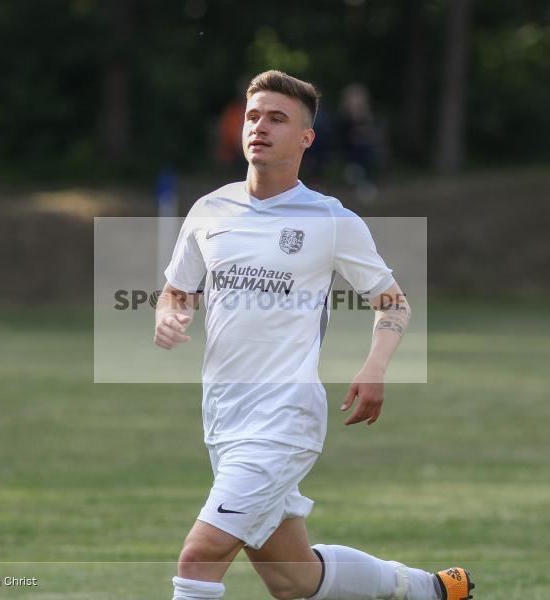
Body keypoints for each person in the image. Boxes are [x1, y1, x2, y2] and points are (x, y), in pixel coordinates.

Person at [154, 70, 474, 600]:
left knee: (198, 559)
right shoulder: (209, 211)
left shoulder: (330, 219)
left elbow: (391, 301)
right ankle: (431, 590)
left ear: (307, 138)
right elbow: (176, 290)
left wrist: (375, 367)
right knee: (294, 578)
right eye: (254, 116)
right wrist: (169, 312)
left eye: (277, 118)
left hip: (284, 420)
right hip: (223, 417)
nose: (260, 126)